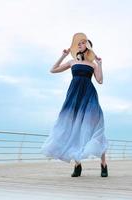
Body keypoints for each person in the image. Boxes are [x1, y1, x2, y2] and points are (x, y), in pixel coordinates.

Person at [41, 32, 109, 177]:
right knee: (72, 127)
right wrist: (63, 55)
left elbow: (100, 80)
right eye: (78, 43)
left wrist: (100, 64)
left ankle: (103, 164)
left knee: (96, 126)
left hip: (89, 96)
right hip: (74, 97)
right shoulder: (72, 62)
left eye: (83, 42)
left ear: (88, 46)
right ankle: (77, 165)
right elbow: (53, 70)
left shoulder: (92, 64)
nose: (79, 44)